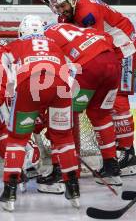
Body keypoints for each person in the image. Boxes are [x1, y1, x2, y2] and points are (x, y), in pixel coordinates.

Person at [49, 0, 136, 177]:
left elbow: (96, 41)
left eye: (63, 6)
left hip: (124, 45)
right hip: (111, 46)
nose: (61, 10)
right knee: (105, 106)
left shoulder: (88, 13)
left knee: (118, 99)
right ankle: (120, 150)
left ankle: (127, 151)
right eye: (58, 7)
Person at [0, 16, 80, 212]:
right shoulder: (55, 44)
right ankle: (73, 188)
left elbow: (2, 65)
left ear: (22, 31)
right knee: (64, 138)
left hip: (30, 83)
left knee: (17, 139)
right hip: (61, 86)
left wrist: (10, 87)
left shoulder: (18, 43)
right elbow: (72, 69)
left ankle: (9, 191)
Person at [39, 16, 122, 188]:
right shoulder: (81, 29)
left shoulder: (44, 37)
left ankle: (62, 169)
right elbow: (110, 40)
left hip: (89, 66)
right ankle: (111, 166)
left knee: (61, 116)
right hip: (113, 64)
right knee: (101, 115)